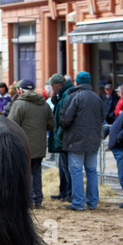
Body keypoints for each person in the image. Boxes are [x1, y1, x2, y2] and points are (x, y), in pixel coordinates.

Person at [60, 71, 104, 211]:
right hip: (93, 139)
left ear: (77, 82)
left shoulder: (74, 96)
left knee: (76, 170)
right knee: (92, 171)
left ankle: (78, 203)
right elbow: (102, 118)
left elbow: (65, 120)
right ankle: (92, 202)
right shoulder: (97, 97)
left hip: (76, 140)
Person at [8, 79, 55, 208]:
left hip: (23, 145)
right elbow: (51, 124)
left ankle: (29, 200)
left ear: (21, 90)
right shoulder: (44, 104)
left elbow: (11, 125)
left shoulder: (19, 104)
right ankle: (38, 199)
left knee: (26, 172)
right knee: (36, 172)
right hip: (39, 145)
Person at [48, 73, 74, 202]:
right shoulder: (63, 94)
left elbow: (65, 116)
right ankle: (64, 191)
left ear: (58, 85)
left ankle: (69, 193)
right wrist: (54, 99)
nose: (51, 89)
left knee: (67, 166)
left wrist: (58, 134)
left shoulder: (67, 94)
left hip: (65, 137)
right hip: (63, 136)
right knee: (63, 166)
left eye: (52, 86)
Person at [108, 82, 123, 208]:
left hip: (122, 146)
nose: (119, 94)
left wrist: (119, 138)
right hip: (120, 146)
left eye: (120, 92)